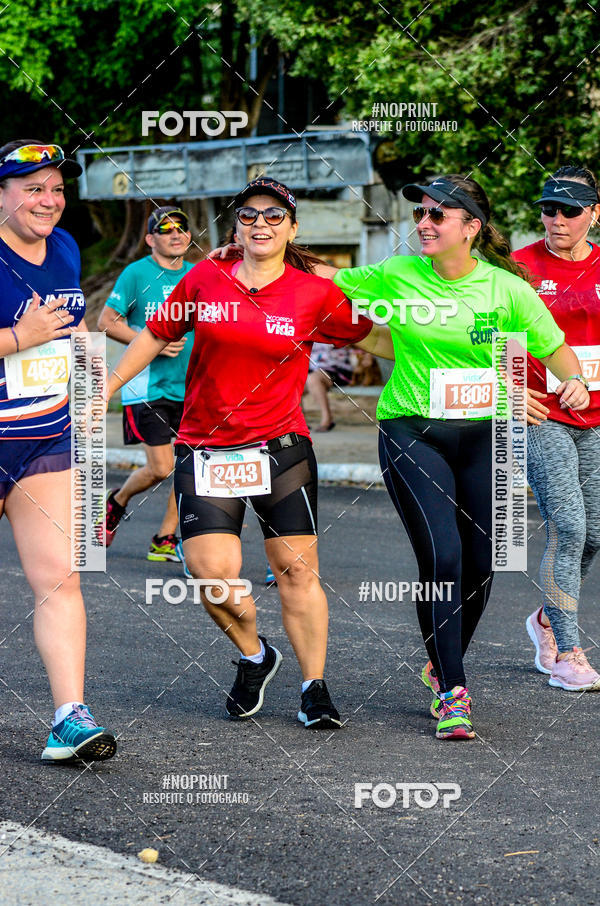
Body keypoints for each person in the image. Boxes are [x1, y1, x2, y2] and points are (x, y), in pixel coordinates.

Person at [104, 176, 393, 729]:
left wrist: (442, 347)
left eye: (274, 215)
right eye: (250, 215)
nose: (261, 223)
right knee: (211, 574)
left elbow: (374, 338)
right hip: (206, 447)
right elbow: (152, 333)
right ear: (236, 224)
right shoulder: (205, 275)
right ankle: (256, 655)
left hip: (281, 447)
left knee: (295, 570)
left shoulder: (315, 293)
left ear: (292, 227)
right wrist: (107, 388)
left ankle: (315, 688)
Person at [328, 174, 589, 740]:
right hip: (412, 431)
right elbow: (320, 279)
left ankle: (439, 662)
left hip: (483, 437)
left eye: (438, 215)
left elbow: (555, 348)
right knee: (443, 558)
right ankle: (452, 690)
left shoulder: (507, 290)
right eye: (421, 213)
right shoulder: (395, 275)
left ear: (471, 228)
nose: (423, 223)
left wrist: (573, 384)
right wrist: (260, 253)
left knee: (483, 564)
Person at [0, 140, 116, 762]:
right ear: (2, 194)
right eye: (31, 188)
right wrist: (18, 336)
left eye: (55, 188)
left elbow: (69, 336)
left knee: (60, 578)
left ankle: (68, 718)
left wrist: (89, 388)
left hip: (45, 437)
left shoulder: (66, 247)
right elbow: (32, 334)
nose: (48, 200)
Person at [514, 166, 600, 691]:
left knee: (597, 531)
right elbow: (484, 333)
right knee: (568, 528)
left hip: (597, 418)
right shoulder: (518, 268)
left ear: (594, 213)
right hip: (541, 415)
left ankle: (545, 618)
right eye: (549, 209)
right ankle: (566, 650)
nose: (557, 219)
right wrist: (509, 387)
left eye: (570, 210)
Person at [96, 206, 194, 560]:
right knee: (162, 467)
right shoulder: (137, 273)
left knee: (191, 466)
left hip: (191, 387)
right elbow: (107, 320)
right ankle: (117, 501)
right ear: (151, 239)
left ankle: (165, 538)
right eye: (166, 229)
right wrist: (152, 339)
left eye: (181, 228)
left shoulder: (198, 275)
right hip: (147, 387)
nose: (176, 234)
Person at [304, 342, 354, 431]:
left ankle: (327, 418)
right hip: (313, 368)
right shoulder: (308, 331)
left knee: (313, 379)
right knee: (294, 380)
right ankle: (299, 421)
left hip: (337, 369)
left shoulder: (335, 329)